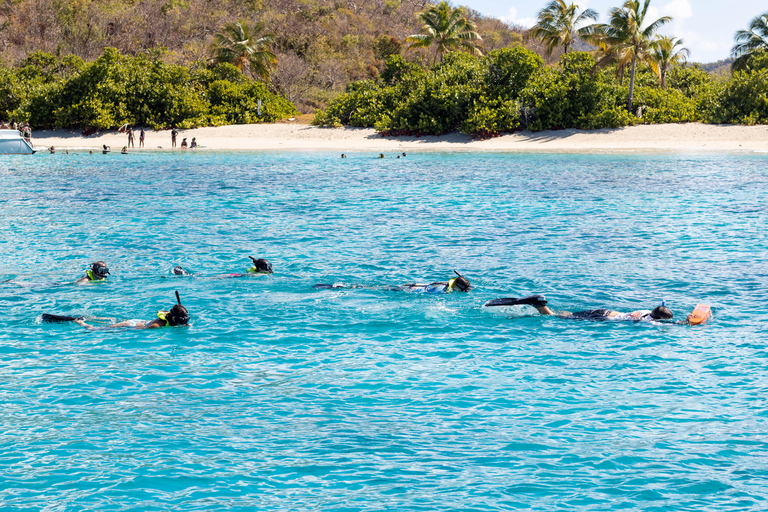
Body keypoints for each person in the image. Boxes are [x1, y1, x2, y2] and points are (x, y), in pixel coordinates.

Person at [486, 295, 675, 323]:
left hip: (605, 311)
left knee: (568, 314)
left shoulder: (644, 312)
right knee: (558, 319)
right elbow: (670, 325)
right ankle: (539, 305)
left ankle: (542, 306)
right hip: (604, 319)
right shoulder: (649, 322)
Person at [73, 291, 190, 330]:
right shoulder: (157, 325)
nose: (184, 322)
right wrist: (122, 331)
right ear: (174, 318)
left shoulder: (175, 320)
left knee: (112, 321)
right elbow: (139, 329)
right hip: (131, 325)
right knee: (98, 329)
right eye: (182, 320)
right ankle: (81, 321)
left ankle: (89, 317)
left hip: (140, 321)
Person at [314, 270, 472, 293]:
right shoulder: (443, 291)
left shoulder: (446, 284)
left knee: (375, 287)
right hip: (408, 290)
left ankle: (341, 287)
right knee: (371, 289)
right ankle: (339, 287)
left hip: (411, 284)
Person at [397, 270, 471, 293]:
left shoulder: (445, 283)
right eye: (462, 289)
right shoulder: (444, 292)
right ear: (455, 286)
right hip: (414, 290)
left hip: (419, 285)